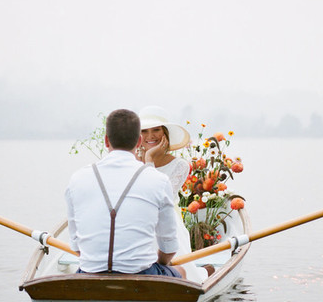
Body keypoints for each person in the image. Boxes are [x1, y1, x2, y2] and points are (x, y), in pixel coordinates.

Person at [65, 108, 185, 277]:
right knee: (181, 271)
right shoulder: (158, 180)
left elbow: (76, 246)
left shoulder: (77, 178)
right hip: (142, 274)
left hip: (89, 273)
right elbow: (169, 248)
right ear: (139, 141)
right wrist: (160, 265)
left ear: (106, 141)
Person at [138, 106, 214, 283]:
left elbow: (159, 199)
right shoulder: (130, 161)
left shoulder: (180, 165)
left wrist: (149, 160)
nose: (150, 136)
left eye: (156, 130)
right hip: (137, 221)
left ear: (165, 133)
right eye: (144, 131)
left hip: (165, 220)